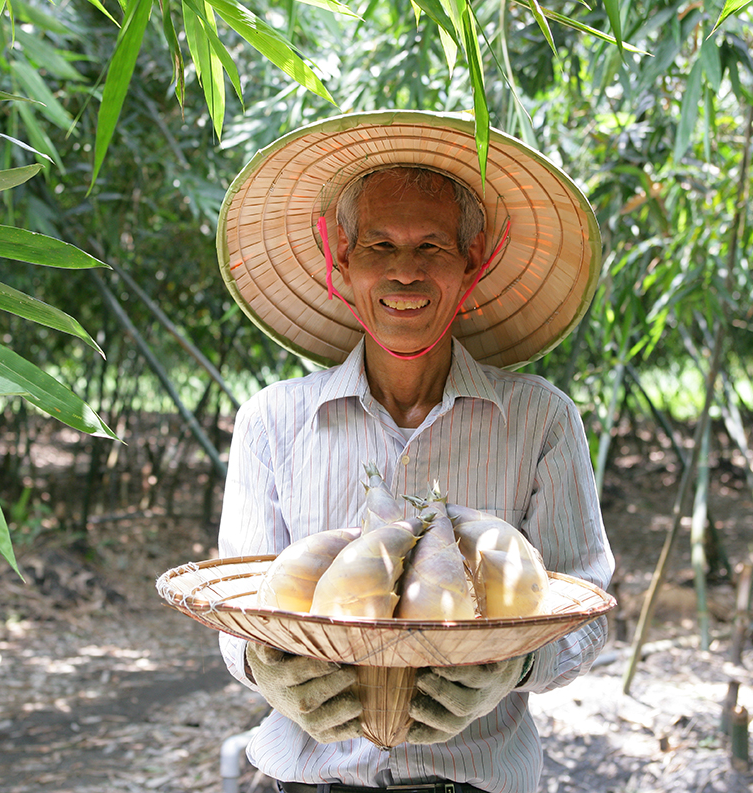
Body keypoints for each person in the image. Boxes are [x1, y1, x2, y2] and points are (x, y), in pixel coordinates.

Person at [215, 111, 614, 793]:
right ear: (342, 262)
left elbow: (585, 607)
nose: (405, 272)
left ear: (471, 265)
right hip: (309, 779)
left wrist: (514, 664)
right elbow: (242, 608)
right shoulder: (271, 421)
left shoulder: (539, 420)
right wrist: (267, 666)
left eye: (431, 246)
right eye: (379, 245)